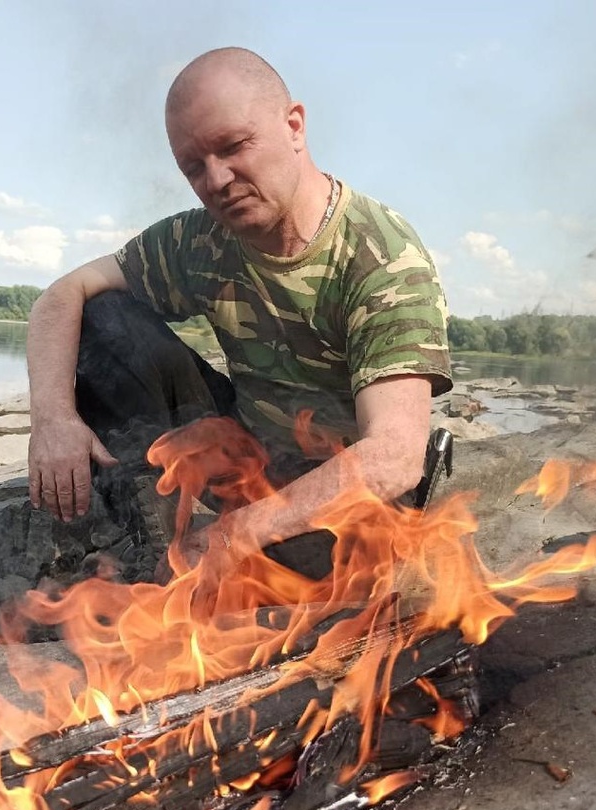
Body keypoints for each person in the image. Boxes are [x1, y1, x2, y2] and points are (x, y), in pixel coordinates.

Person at [26, 46, 452, 577]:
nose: (217, 180)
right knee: (105, 317)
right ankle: (159, 532)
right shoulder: (200, 238)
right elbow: (62, 294)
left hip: (343, 491)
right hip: (246, 457)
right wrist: (53, 419)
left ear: (294, 127)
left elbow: (394, 455)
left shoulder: (382, 256)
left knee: (331, 556)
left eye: (233, 146)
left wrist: (234, 535)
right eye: (193, 166)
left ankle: (233, 549)